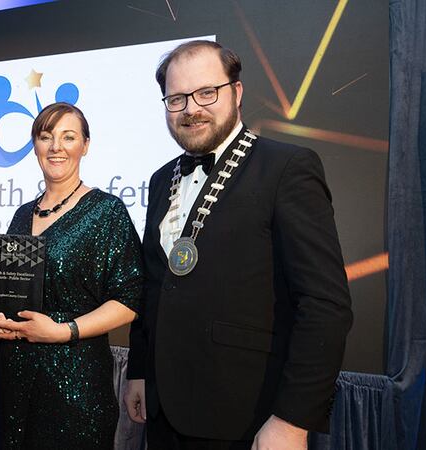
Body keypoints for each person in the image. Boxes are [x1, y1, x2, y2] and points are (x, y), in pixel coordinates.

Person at [124, 40, 353, 449]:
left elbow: (324, 305)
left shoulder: (287, 168)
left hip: (247, 416)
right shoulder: (161, 179)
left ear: (237, 92)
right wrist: (139, 371)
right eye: (176, 98)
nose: (191, 108)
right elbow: (155, 286)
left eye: (206, 92)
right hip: (163, 411)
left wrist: (292, 420)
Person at [0, 102, 144, 450]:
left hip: (76, 378)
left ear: (85, 145)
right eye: (46, 137)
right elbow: (10, 291)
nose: (56, 146)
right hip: (16, 374)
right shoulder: (20, 214)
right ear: (35, 146)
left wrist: (62, 331)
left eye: (68, 137)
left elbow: (129, 300)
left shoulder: (107, 212)